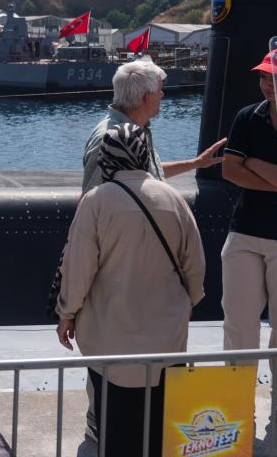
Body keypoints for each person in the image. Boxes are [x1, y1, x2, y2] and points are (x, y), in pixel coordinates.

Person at [56, 123, 206, 457]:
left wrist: (67, 313)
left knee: (117, 433)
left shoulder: (95, 202)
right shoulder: (173, 199)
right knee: (160, 432)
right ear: (144, 155)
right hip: (166, 341)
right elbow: (195, 266)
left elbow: (79, 269)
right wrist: (186, 305)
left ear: (106, 157)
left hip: (111, 343)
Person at [220, 47, 277, 433]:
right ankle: (237, 395)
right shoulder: (248, 117)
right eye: (263, 77)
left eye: (274, 78)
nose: (266, 84)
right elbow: (230, 171)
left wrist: (253, 163)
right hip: (244, 232)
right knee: (239, 322)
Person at [81, 57, 226, 193]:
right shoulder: (109, 139)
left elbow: (147, 172)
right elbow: (92, 198)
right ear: (147, 98)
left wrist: (196, 163)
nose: (162, 94)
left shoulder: (134, 129)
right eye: (159, 90)